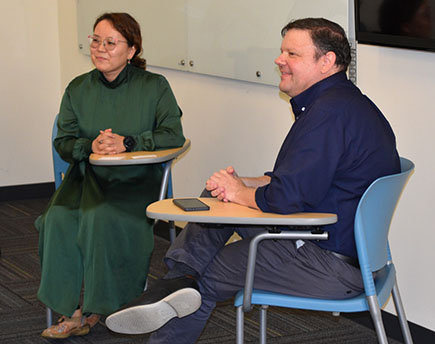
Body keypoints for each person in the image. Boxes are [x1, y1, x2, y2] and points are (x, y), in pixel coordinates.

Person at [105, 18, 400, 343]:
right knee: (217, 196)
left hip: (325, 262)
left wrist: (243, 192)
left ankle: (180, 283)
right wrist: (244, 184)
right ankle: (179, 277)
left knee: (200, 286)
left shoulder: (328, 114)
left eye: (293, 54)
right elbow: (308, 181)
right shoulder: (345, 104)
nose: (279, 60)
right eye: (281, 51)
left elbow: (287, 198)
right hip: (334, 243)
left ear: (326, 61)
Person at [36, 12, 185, 339]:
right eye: (96, 40)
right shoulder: (78, 88)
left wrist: (128, 143)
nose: (100, 48)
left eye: (110, 43)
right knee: (57, 219)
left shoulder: (154, 87)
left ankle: (103, 308)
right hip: (84, 179)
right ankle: (71, 311)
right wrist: (92, 145)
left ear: (131, 51)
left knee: (100, 218)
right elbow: (63, 141)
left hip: (133, 181)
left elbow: (173, 134)